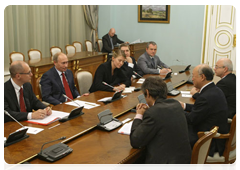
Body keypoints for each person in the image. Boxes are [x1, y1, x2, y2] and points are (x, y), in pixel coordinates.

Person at [129, 76, 191, 170]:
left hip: (165, 166)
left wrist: (139, 115)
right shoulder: (176, 104)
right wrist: (150, 110)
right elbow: (162, 117)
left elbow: (135, 141)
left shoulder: (153, 113)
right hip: (182, 162)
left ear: (148, 93)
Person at [179, 64, 228, 156]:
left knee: (176, 134)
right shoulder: (215, 90)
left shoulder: (205, 97)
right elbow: (202, 109)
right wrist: (184, 106)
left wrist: (177, 110)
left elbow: (191, 119)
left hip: (209, 141)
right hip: (212, 133)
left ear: (202, 77)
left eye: (193, 76)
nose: (192, 79)